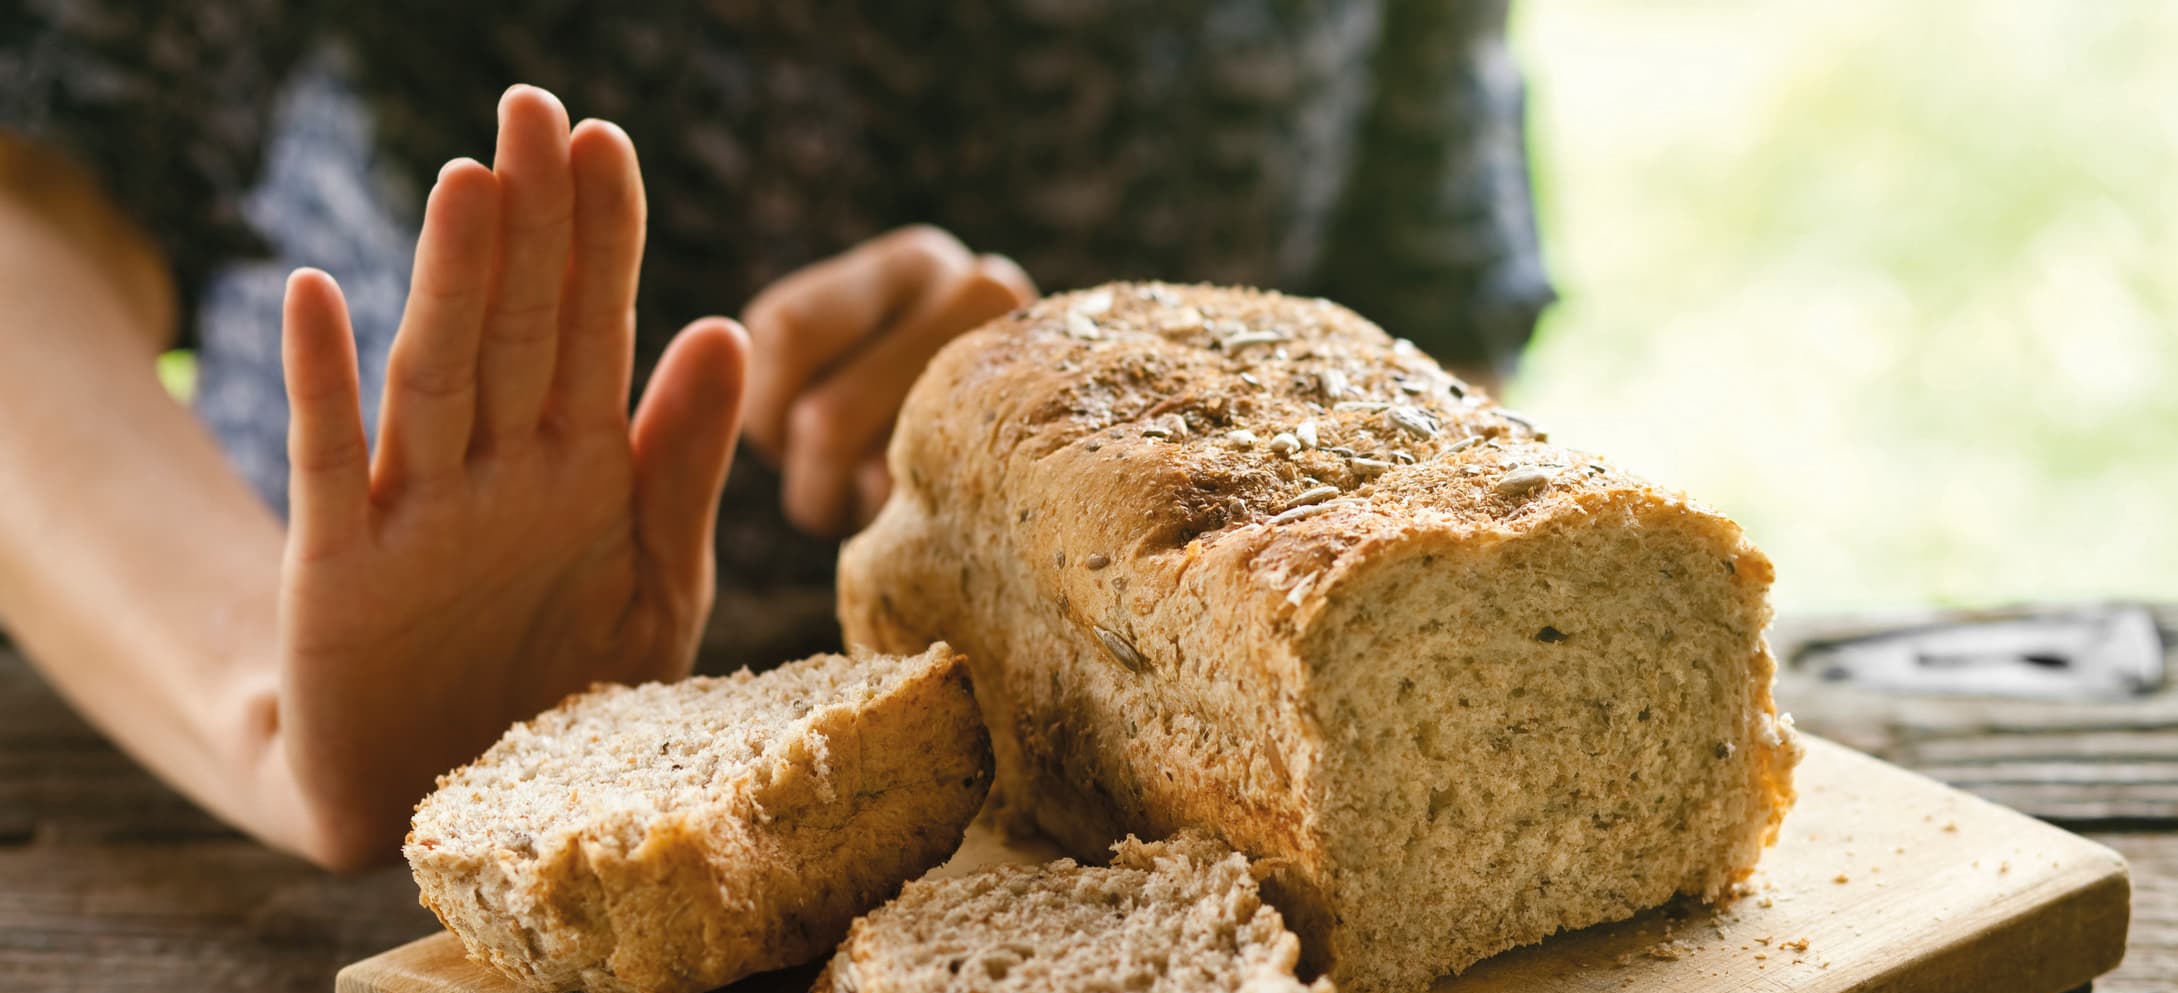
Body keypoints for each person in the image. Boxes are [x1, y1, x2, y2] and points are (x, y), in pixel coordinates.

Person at [0, 3, 1551, 869]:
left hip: (1107, 836)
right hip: (312, 781)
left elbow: (1426, 320)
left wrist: (1078, 406)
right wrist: (264, 708)